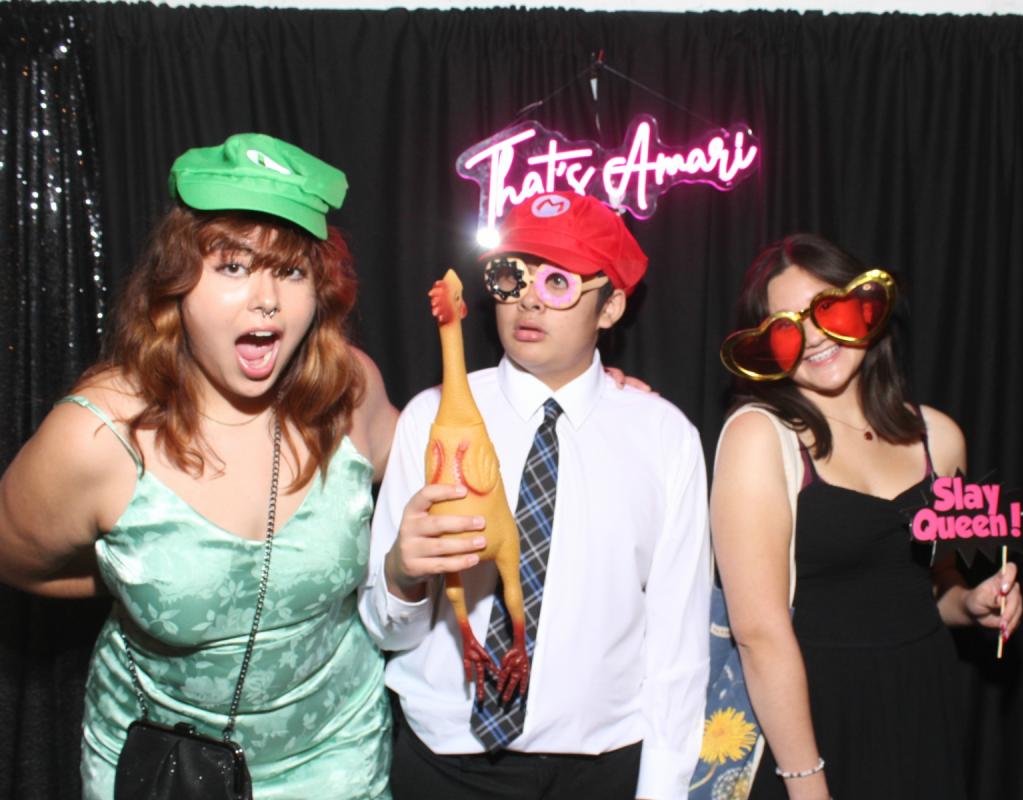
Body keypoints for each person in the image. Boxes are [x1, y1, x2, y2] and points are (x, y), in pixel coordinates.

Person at [0, 133, 397, 798]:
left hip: (337, 756)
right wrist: (131, 577)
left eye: (291, 272)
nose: (267, 300)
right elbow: (16, 559)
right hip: (164, 764)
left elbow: (421, 457)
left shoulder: (347, 391)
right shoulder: (98, 438)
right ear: (176, 283)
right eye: (233, 266)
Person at [359, 191, 710, 800]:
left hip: (600, 769)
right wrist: (400, 576)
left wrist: (663, 790)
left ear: (610, 307)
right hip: (445, 766)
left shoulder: (664, 438)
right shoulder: (431, 418)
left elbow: (678, 645)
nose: (529, 299)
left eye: (558, 282)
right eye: (511, 276)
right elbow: (387, 634)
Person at [710, 233, 1023, 800]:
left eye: (827, 309)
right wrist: (806, 781)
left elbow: (928, 587)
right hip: (812, 722)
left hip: (923, 709)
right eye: (786, 327)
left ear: (867, 308)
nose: (812, 337)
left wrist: (972, 604)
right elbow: (757, 632)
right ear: (767, 348)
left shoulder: (940, 437)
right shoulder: (759, 436)